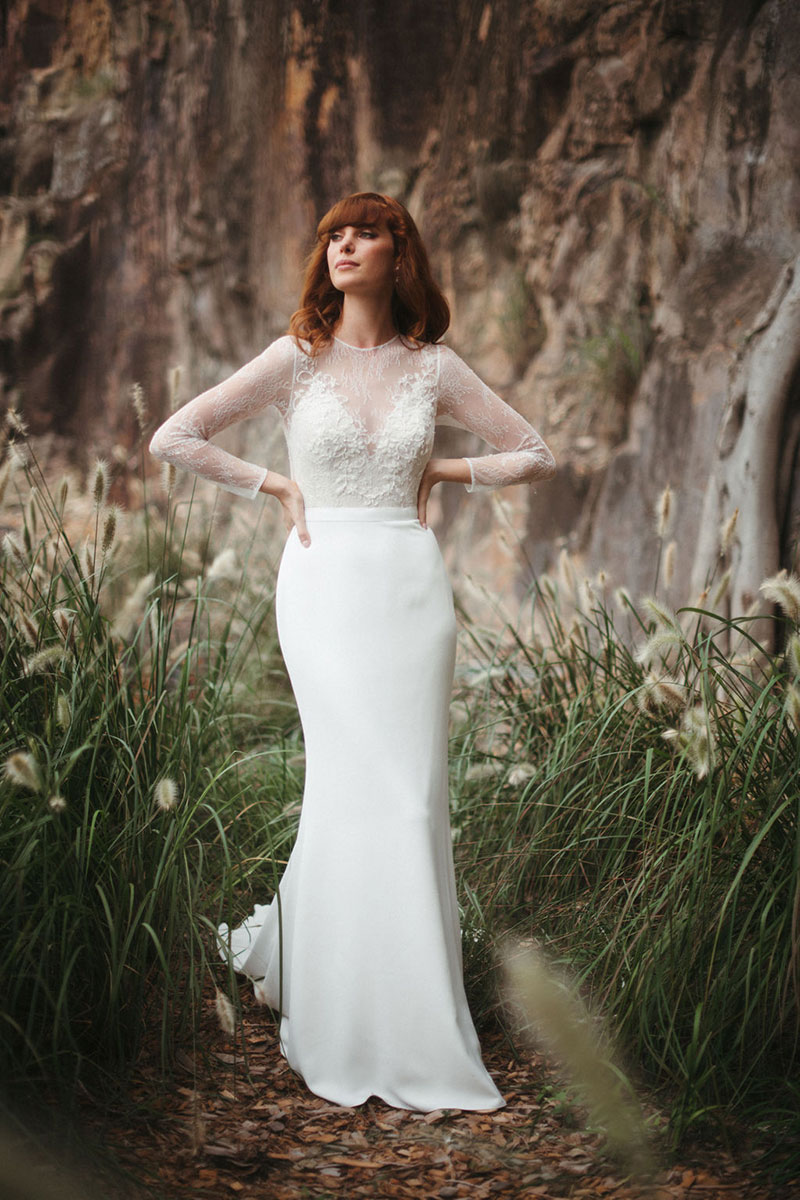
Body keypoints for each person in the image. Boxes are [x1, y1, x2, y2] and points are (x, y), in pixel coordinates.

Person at [149, 191, 556, 1112]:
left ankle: (414, 1014)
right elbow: (174, 434)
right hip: (323, 582)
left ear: (399, 251)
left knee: (409, 798)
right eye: (333, 233)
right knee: (349, 781)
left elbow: (534, 451)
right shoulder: (297, 358)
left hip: (410, 593)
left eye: (364, 232)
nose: (344, 245)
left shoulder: (433, 368)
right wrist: (276, 486)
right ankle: (338, 1007)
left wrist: (449, 468)